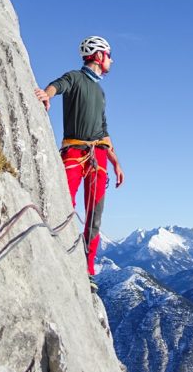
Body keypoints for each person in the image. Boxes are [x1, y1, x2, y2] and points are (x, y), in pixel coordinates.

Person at [34, 36, 125, 276]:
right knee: (66, 202)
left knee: (95, 213)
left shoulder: (100, 92)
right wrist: (47, 94)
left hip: (99, 155)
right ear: (98, 56)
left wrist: (116, 162)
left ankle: (87, 266)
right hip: (74, 151)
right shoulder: (76, 78)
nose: (112, 60)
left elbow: (103, 131)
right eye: (109, 55)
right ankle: (58, 249)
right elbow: (59, 84)